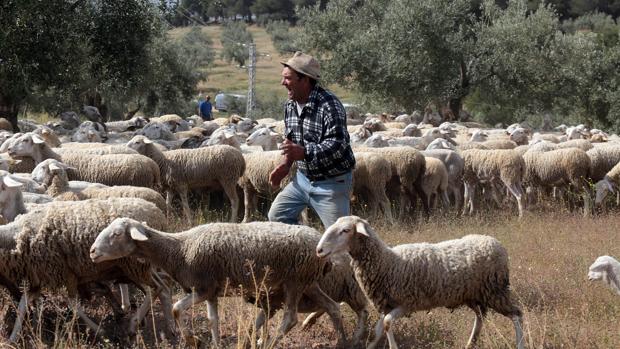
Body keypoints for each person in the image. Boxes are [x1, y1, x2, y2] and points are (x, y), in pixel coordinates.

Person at [268, 51, 356, 228]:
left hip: (331, 183)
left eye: (288, 78)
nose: (282, 83)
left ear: (305, 80)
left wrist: (305, 152)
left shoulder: (329, 105)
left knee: (339, 236)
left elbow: (337, 145)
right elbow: (291, 140)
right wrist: (286, 164)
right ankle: (305, 249)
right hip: (303, 179)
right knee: (277, 216)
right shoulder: (290, 106)